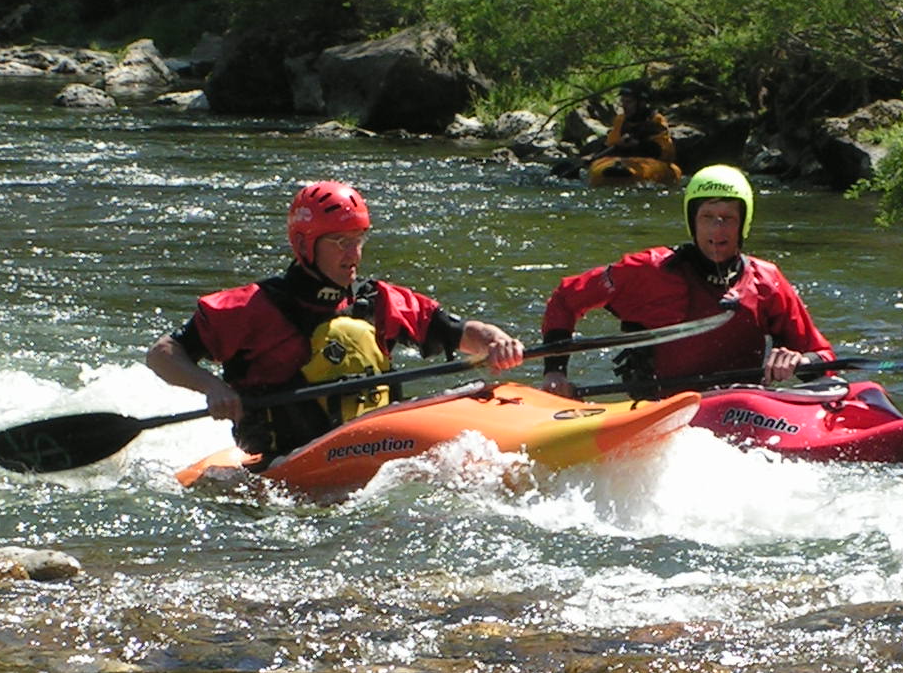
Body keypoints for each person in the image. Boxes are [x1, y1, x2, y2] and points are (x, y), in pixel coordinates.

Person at [146, 181, 524, 460]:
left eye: (359, 239)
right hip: (285, 468)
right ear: (305, 244)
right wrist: (211, 385)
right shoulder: (250, 307)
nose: (354, 255)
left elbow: (461, 333)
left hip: (378, 451)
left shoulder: (380, 300)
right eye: (340, 242)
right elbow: (163, 354)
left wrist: (495, 340)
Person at [535, 164, 833, 397]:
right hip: (662, 412)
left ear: (744, 223)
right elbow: (566, 298)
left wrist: (800, 362)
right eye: (707, 217)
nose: (717, 229)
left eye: (728, 217)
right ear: (693, 221)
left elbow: (822, 356)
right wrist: (555, 373)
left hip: (742, 408)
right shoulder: (649, 269)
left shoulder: (767, 281)